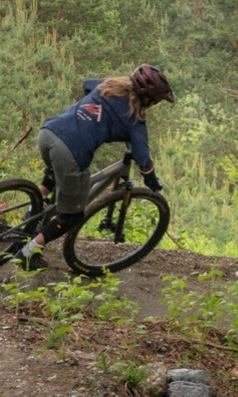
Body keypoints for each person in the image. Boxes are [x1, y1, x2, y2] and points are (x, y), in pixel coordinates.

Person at [14, 63, 174, 271]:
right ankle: (28, 253)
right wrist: (152, 181)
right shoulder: (134, 120)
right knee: (72, 215)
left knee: (54, 174)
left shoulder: (107, 86)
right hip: (69, 152)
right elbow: (143, 160)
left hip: (49, 133)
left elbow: (86, 84)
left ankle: (32, 211)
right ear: (148, 99)